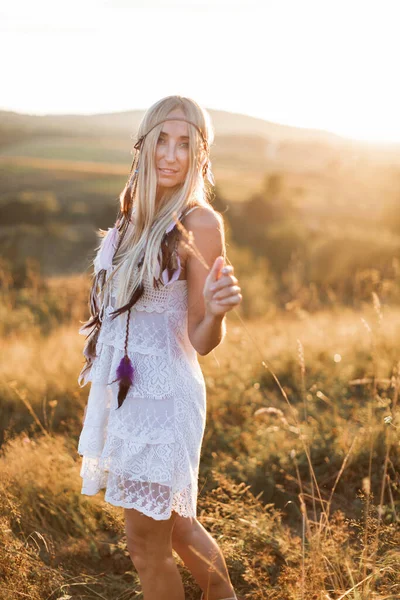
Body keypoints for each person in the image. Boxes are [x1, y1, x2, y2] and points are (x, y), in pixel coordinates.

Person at [77, 95, 242, 600]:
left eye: (185, 144)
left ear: (201, 154)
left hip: (164, 398)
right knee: (176, 527)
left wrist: (213, 313)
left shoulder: (199, 223)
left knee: (146, 546)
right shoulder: (133, 217)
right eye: (162, 141)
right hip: (127, 391)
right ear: (144, 145)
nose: (171, 154)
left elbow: (201, 340)